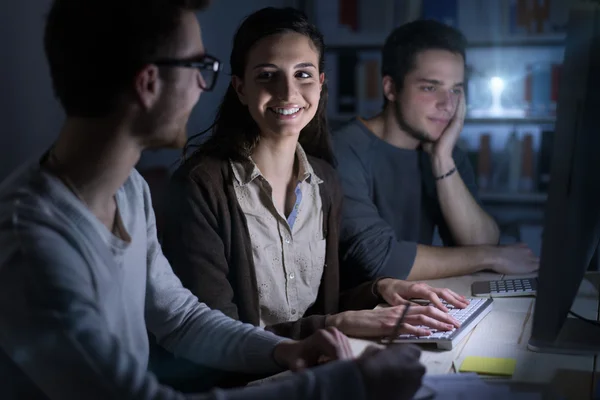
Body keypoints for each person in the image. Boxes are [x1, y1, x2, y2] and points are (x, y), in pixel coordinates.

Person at [0, 1, 426, 399]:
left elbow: (181, 318)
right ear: (149, 83)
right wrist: (350, 382)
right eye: (200, 67)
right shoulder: (32, 244)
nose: (206, 86)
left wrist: (282, 351)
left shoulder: (127, 189)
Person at [162, 6, 468, 349]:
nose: (288, 92)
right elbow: (212, 337)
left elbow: (322, 308)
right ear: (240, 88)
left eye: (303, 74)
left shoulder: (324, 180)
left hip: (315, 369)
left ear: (321, 84)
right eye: (267, 75)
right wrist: (332, 323)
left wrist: (380, 289)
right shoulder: (201, 186)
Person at [331, 20, 540, 286]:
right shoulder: (343, 149)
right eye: (430, 88)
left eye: (456, 89)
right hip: (352, 317)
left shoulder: (444, 151)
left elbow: (481, 242)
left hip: (414, 307)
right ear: (391, 88)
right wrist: (489, 256)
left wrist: (442, 161)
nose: (447, 104)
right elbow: (380, 260)